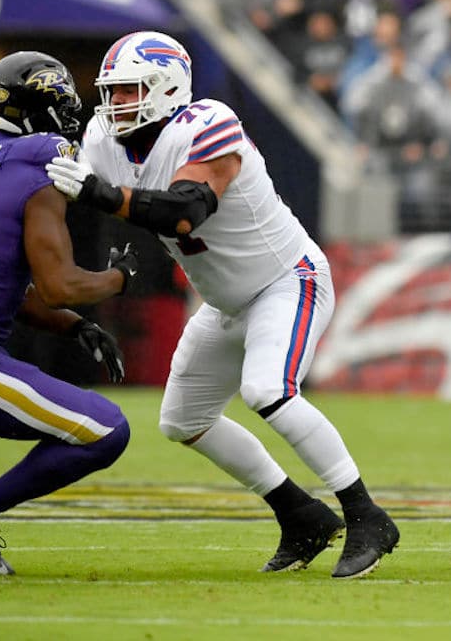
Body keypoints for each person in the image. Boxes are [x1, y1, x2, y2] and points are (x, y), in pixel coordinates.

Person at [44, 31, 397, 579]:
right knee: (183, 421)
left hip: (287, 280)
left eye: (130, 90)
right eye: (111, 93)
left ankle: (366, 514)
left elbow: (185, 212)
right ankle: (300, 514)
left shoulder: (208, 124)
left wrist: (101, 194)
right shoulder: (102, 140)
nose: (117, 104)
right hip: (226, 300)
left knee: (267, 390)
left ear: (167, 88)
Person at [0, 52, 132, 574]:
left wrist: (75, 326)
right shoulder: (38, 159)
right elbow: (59, 285)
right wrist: (117, 278)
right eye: (60, 107)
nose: (69, 120)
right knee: (104, 429)